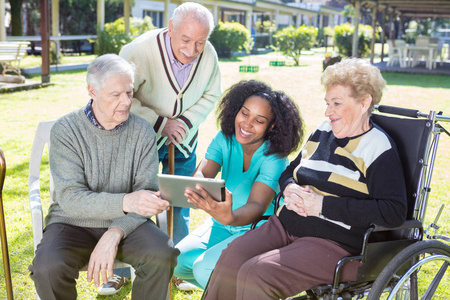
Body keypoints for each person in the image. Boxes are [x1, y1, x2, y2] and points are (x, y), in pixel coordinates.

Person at [203, 58, 408, 300]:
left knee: (257, 273)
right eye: (327, 103)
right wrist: (289, 187)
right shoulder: (323, 131)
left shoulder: (377, 147)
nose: (327, 112)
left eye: (337, 104)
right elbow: (290, 171)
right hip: (285, 225)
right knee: (232, 257)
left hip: (333, 242)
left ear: (364, 103)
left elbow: (394, 210)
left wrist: (320, 205)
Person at [28, 54, 179, 300]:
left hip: (128, 224)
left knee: (161, 253)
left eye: (129, 93)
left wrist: (115, 232)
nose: (126, 102)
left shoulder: (142, 132)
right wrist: (126, 201)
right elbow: (70, 198)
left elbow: (146, 197)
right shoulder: (66, 130)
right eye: (115, 94)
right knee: (47, 267)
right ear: (93, 92)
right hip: (71, 221)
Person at [173, 79, 304, 290]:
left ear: (272, 126)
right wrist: (198, 184)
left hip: (258, 230)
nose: (247, 124)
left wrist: (231, 217)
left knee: (203, 268)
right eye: (244, 113)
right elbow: (203, 171)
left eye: (259, 120)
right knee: (176, 261)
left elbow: (256, 206)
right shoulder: (224, 139)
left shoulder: (275, 159)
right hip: (221, 225)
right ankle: (237, 291)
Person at [119, 2, 221, 247]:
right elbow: (121, 95)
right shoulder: (139, 50)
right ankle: (124, 265)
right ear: (171, 27)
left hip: (184, 140)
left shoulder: (208, 54)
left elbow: (212, 93)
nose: (192, 49)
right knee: (136, 200)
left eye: (200, 42)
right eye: (185, 39)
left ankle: (176, 261)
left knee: (180, 201)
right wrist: (160, 123)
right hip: (143, 140)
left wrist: (184, 123)